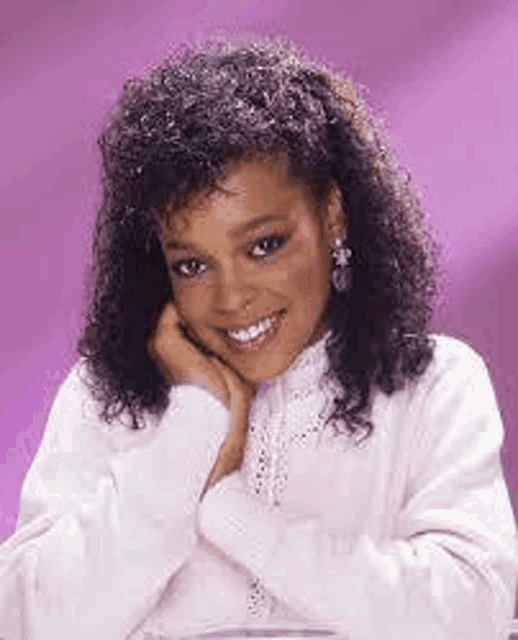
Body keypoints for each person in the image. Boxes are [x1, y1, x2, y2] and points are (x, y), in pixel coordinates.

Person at [0, 32, 516, 640]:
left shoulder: (432, 383)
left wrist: (225, 507)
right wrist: (192, 425)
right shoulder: (106, 391)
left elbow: (474, 613)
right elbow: (31, 623)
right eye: (192, 264)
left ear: (331, 214)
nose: (231, 298)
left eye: (265, 246)